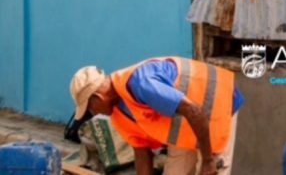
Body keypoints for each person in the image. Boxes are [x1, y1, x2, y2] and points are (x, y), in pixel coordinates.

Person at [70, 57, 243, 175]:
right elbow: (141, 152)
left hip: (215, 107)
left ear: (97, 97)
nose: (93, 114)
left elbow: (195, 112)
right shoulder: (118, 114)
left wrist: (207, 160)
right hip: (186, 123)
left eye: (90, 108)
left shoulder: (142, 84)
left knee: (211, 169)